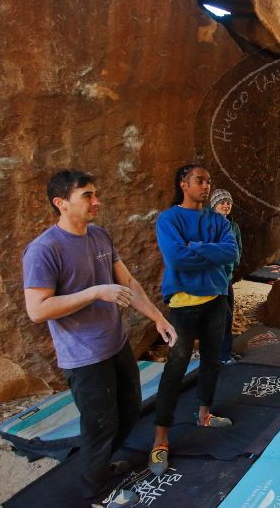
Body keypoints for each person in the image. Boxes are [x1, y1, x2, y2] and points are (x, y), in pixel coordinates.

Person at [22, 170, 177, 508]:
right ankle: (96, 494)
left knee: (130, 410)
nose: (97, 201)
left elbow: (129, 284)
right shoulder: (44, 250)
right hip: (83, 356)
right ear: (60, 203)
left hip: (116, 344)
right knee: (100, 426)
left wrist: (157, 317)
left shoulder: (100, 236)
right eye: (87, 196)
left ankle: (101, 467)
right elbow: (37, 309)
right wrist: (94, 292)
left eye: (95, 194)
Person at [150, 164, 238, 476]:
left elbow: (231, 254)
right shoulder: (169, 219)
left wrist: (196, 248)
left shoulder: (217, 220)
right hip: (183, 304)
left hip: (216, 299)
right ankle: (161, 439)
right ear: (183, 184)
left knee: (212, 361)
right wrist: (209, 253)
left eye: (208, 181)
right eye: (200, 180)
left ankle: (204, 414)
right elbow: (175, 259)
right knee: (175, 369)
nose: (206, 186)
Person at [208, 188, 243, 365]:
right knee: (223, 316)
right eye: (222, 202)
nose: (226, 205)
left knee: (229, 314)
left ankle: (225, 351)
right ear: (214, 205)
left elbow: (238, 247)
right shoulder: (209, 225)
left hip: (227, 277)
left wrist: (235, 263)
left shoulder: (233, 225)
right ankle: (220, 356)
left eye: (228, 202)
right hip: (215, 278)